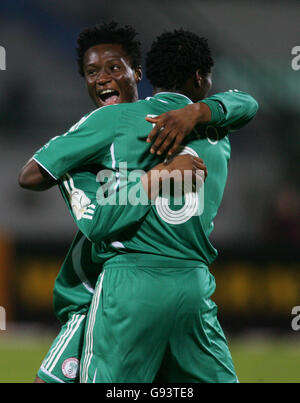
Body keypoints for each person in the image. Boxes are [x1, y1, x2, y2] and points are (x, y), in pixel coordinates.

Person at [20, 26, 258, 382]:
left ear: (141, 73)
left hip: (122, 286)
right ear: (201, 78)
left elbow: (87, 214)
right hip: (192, 284)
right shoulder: (218, 134)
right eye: (92, 72)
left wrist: (147, 179)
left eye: (114, 69)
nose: (103, 79)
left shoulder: (109, 124)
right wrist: (197, 113)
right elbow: (247, 103)